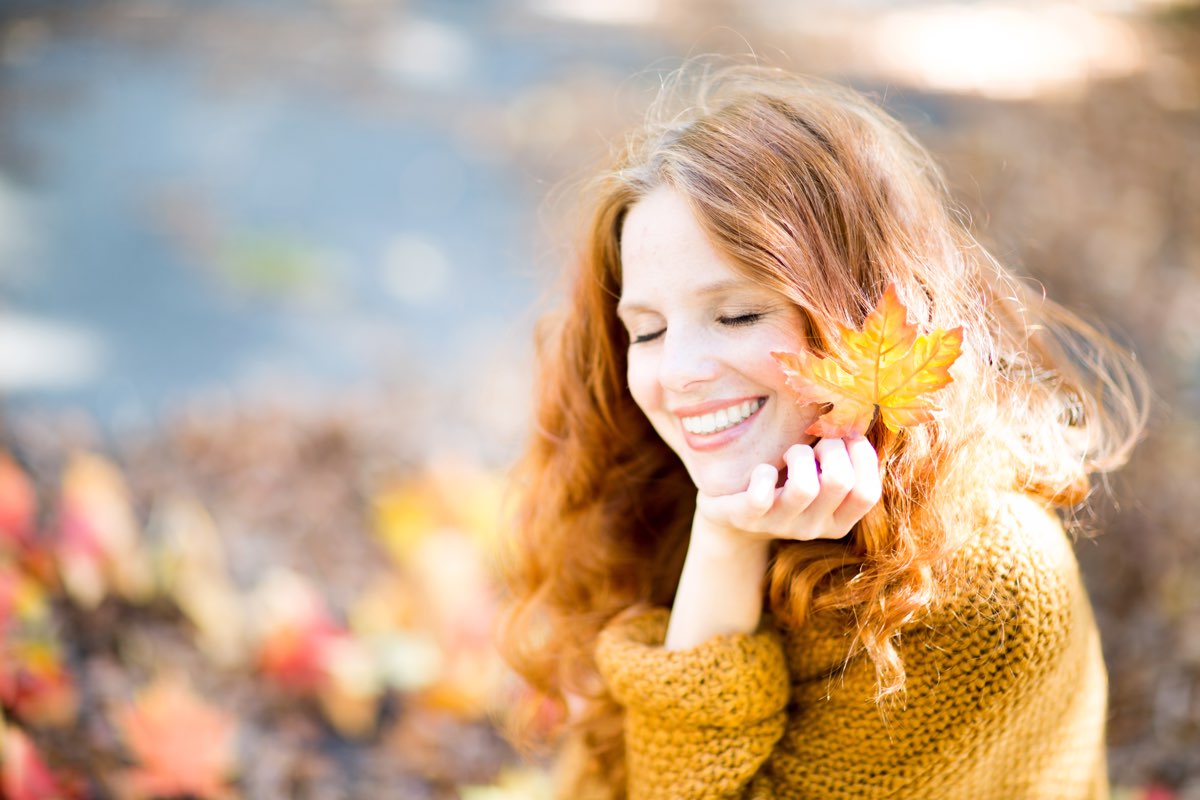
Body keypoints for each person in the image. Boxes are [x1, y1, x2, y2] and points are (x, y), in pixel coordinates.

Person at [498, 62, 1148, 800]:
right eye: (646, 331)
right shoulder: (660, 484)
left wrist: (725, 551)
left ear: (867, 311)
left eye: (738, 314)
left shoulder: (986, 591)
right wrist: (722, 538)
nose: (677, 372)